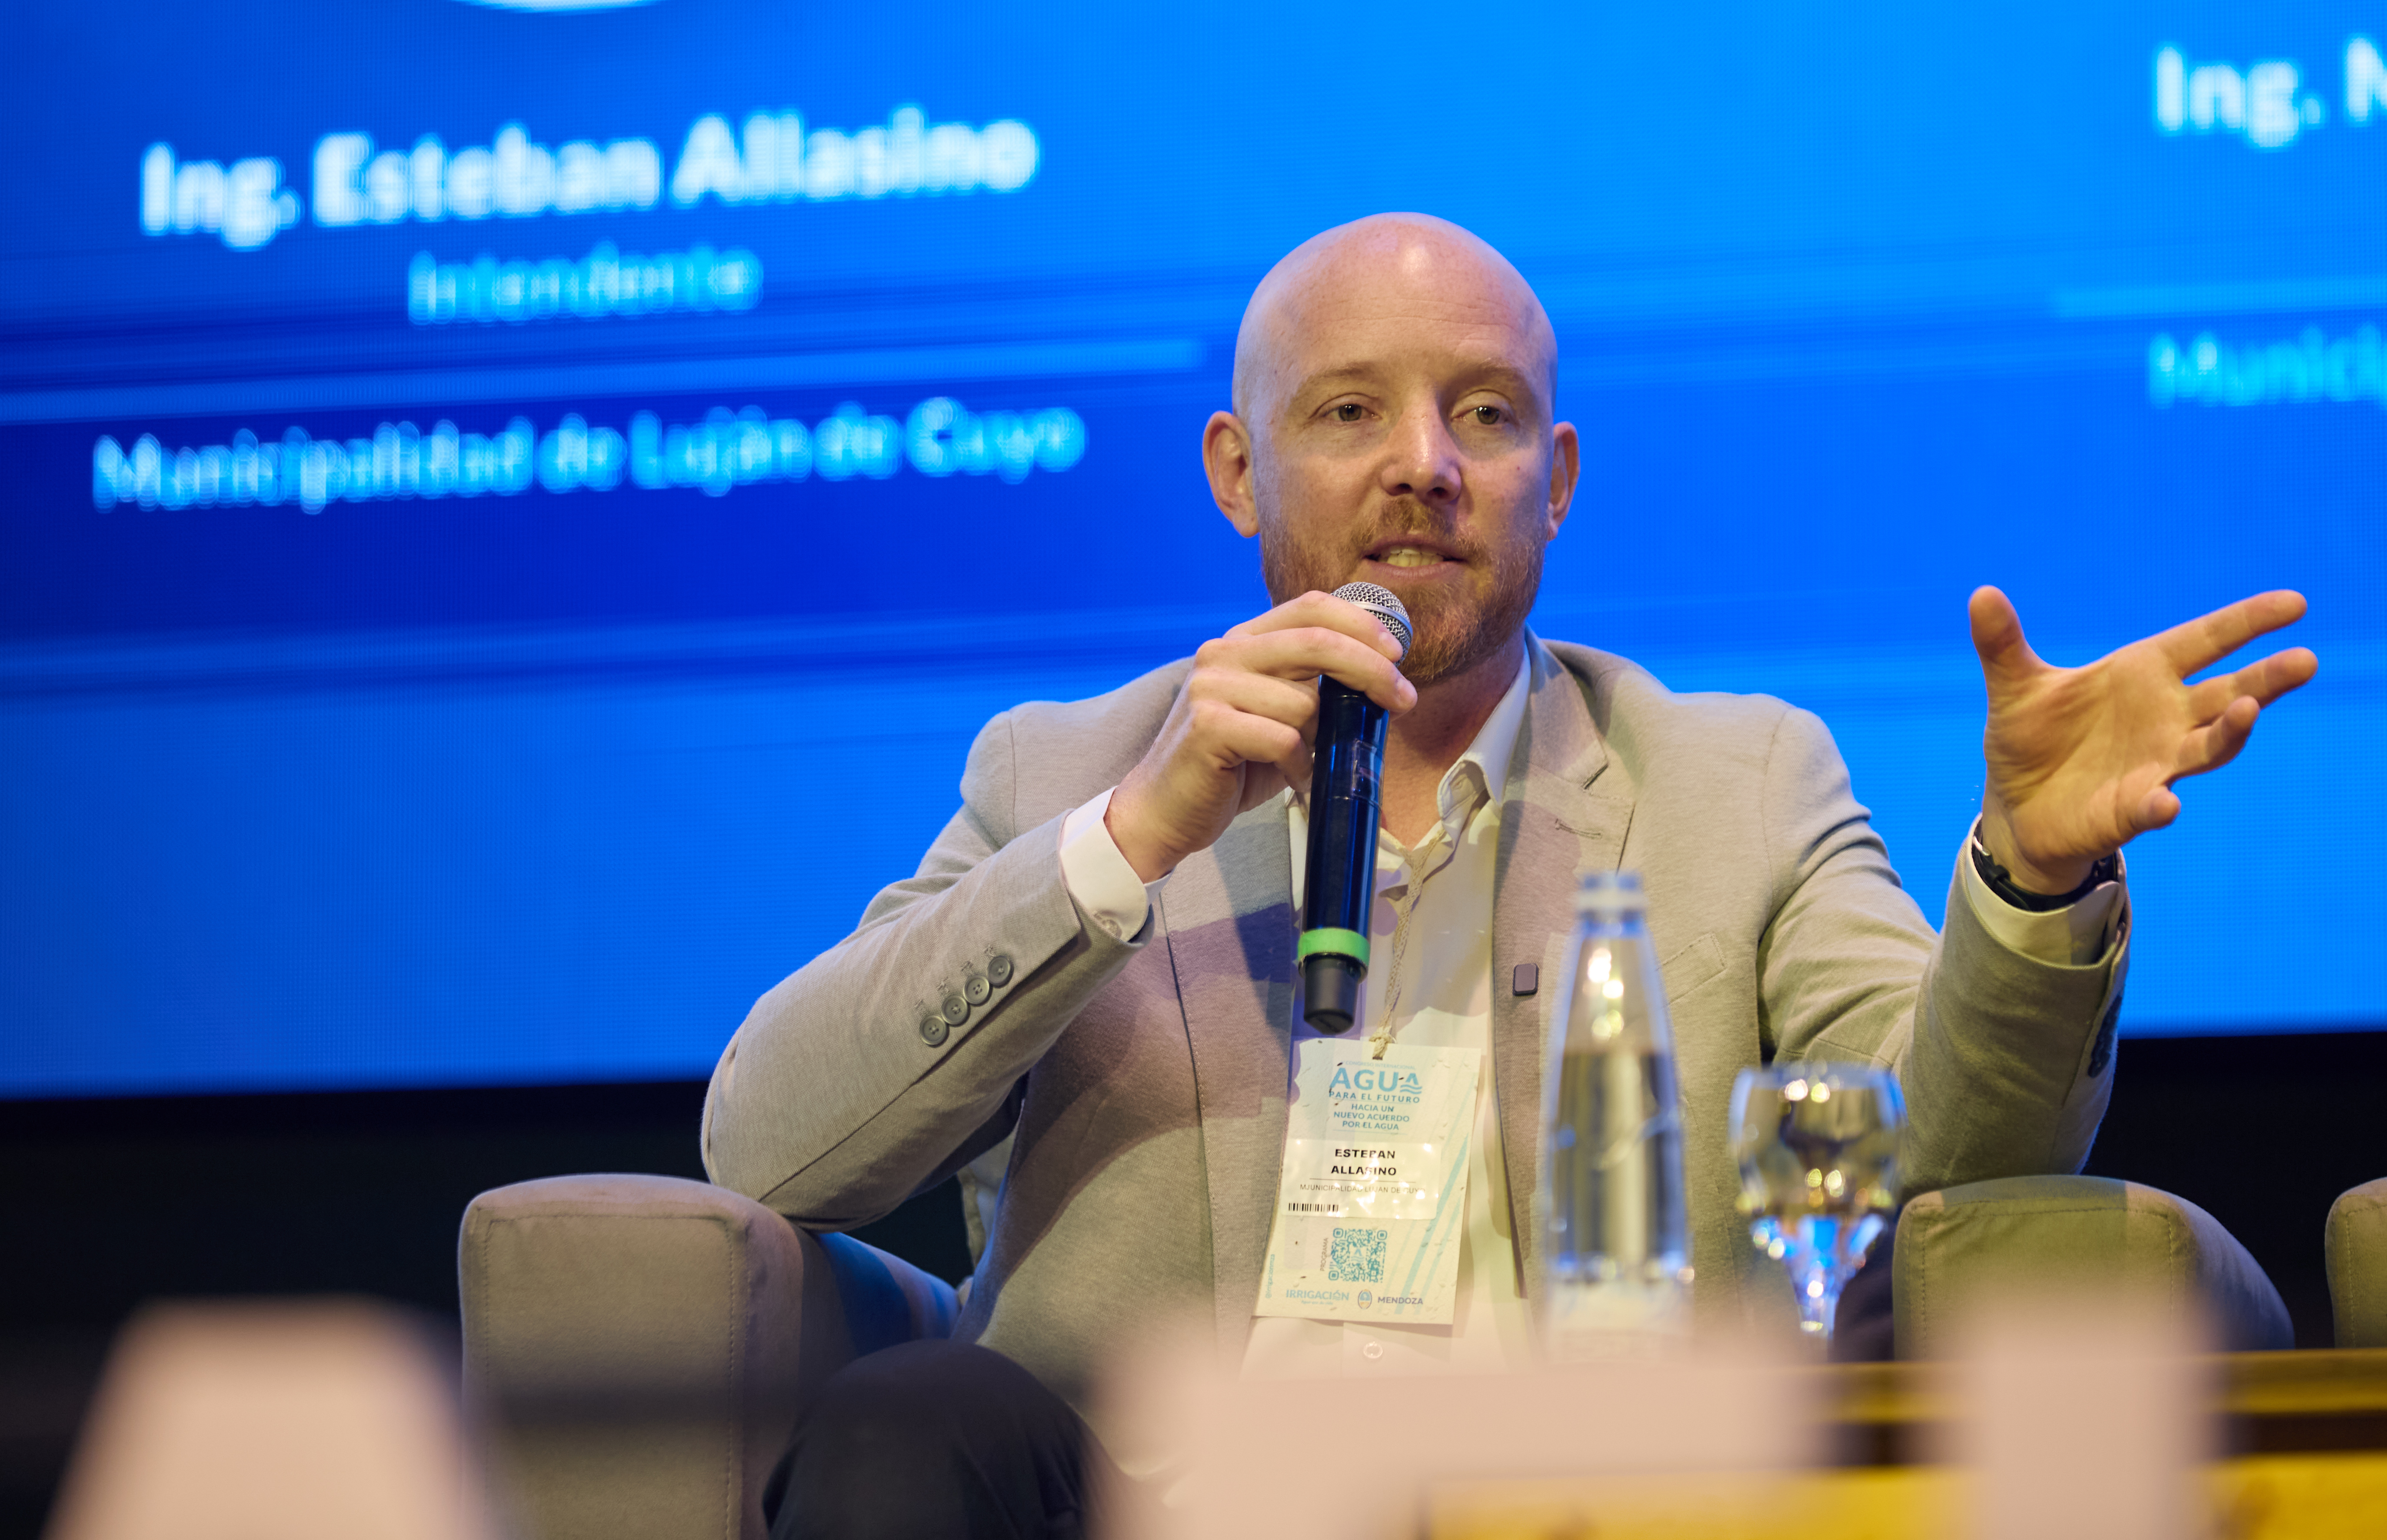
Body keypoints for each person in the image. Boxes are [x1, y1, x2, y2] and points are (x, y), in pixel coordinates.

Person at [703, 214, 2317, 1537]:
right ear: (1236, 470)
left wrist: (2030, 875)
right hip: (1165, 1502)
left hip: (1612, 1499)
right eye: (1349, 412)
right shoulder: (1063, 775)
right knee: (910, 1422)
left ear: (1557, 477)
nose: (1423, 464)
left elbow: (1947, 1165)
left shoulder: (1737, 778)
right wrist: (1129, 842)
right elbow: (769, 1149)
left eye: (1482, 415)